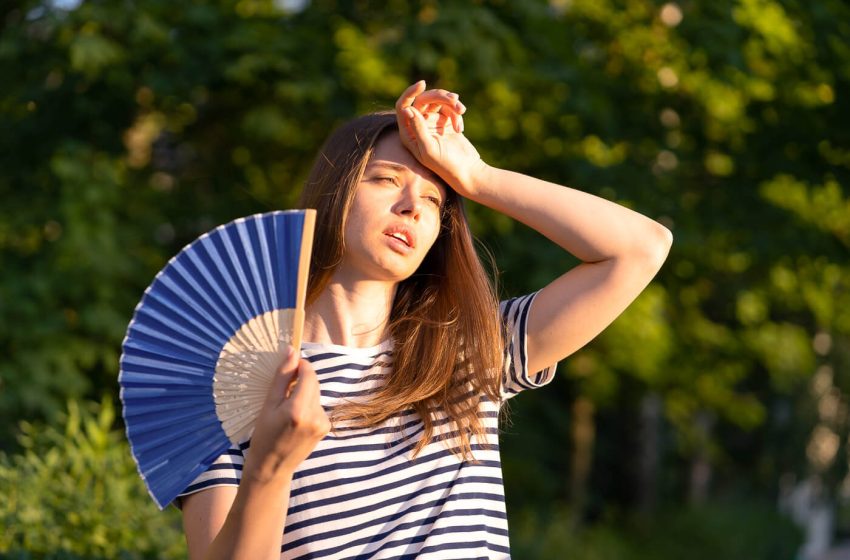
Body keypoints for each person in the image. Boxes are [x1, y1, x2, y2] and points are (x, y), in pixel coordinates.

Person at [179, 81, 673, 559]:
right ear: (336, 192)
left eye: (435, 199)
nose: (413, 207)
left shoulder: (472, 352)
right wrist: (269, 466)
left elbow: (640, 249)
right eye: (387, 179)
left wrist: (477, 178)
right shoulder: (233, 384)